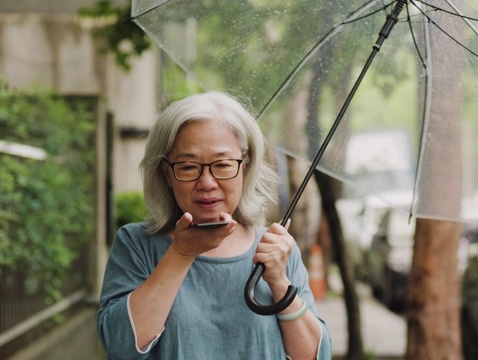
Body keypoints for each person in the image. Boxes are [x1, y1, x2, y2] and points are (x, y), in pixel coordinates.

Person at [97, 91, 332, 359]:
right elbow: (120, 346)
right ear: (167, 173)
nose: (207, 183)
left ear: (245, 166)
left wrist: (278, 280)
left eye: (222, 165)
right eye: (187, 167)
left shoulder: (275, 249)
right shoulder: (137, 244)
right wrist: (181, 253)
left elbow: (316, 356)